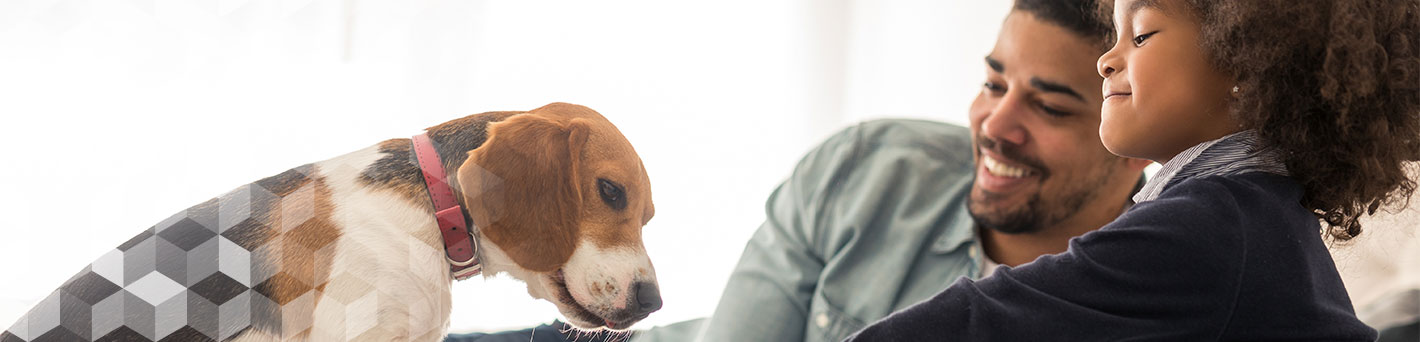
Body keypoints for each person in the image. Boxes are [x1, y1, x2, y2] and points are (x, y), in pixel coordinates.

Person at [446, 0, 1147, 341]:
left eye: (1050, 107)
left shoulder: (1163, 284)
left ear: (1132, 135)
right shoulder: (867, 167)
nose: (995, 125)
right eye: (994, 84)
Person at [843, 0, 1419, 340]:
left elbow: (976, 324)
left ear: (1245, 58)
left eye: (1140, 34)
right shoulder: (1254, 216)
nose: (1106, 58)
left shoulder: (1209, 232)